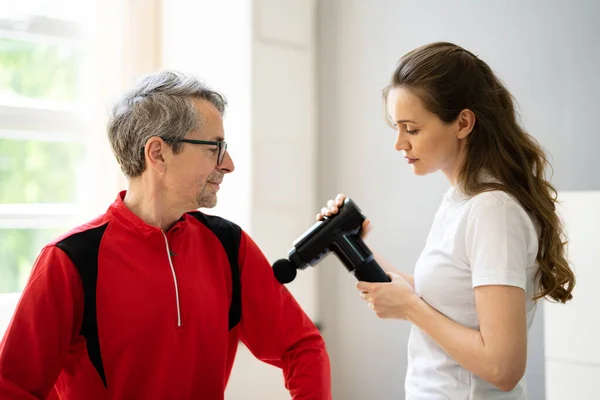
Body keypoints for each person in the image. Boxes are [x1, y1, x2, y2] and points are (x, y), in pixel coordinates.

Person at [0, 70, 331, 400]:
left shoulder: (229, 244)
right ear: (157, 153)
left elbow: (302, 345)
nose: (228, 163)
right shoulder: (69, 260)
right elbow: (11, 386)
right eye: (214, 148)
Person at [317, 42, 575, 399]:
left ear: (463, 123)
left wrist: (409, 308)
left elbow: (503, 368)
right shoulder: (461, 202)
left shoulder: (492, 212)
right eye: (397, 127)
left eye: (411, 129)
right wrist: (350, 244)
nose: (399, 144)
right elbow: (444, 298)